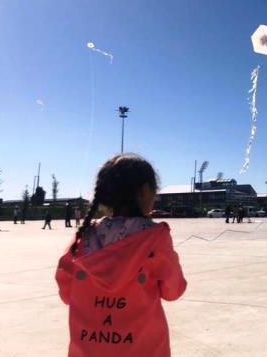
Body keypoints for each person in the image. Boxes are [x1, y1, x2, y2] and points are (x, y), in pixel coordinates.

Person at [55, 153, 187, 357]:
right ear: (144, 191)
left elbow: (66, 294)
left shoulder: (84, 235)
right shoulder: (155, 237)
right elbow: (173, 291)